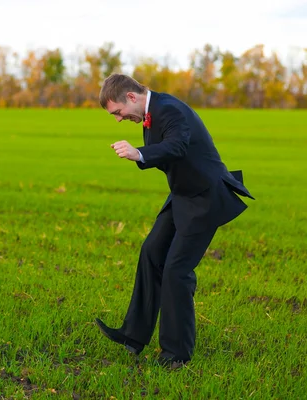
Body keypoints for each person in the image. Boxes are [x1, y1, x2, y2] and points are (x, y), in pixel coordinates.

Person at [95, 74, 254, 369]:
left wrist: (139, 153)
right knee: (151, 252)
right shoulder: (150, 113)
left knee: (177, 271)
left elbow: (178, 145)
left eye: (117, 112)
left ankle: (176, 355)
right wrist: (143, 155)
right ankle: (133, 335)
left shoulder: (170, 109)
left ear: (131, 97)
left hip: (205, 198)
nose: (118, 119)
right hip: (182, 195)